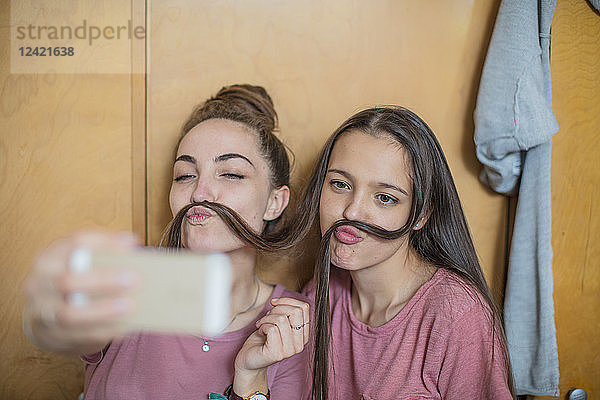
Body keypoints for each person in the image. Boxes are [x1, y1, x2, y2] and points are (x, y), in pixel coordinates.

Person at [23, 84, 311, 400]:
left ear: (274, 201)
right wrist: (50, 314)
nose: (200, 194)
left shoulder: (292, 324)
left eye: (230, 174)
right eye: (185, 175)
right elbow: (63, 329)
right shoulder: (131, 278)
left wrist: (251, 378)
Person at [298, 107, 515, 399]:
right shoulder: (319, 294)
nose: (352, 210)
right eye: (340, 184)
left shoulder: (457, 315)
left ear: (421, 215)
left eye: (385, 198)